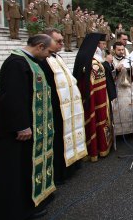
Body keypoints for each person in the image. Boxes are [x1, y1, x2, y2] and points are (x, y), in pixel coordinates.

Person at [0, 34, 56, 219]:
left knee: (23, 169)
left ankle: (27, 204)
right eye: (49, 51)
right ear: (40, 46)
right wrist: (21, 126)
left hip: (27, 127)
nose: (50, 56)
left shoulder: (29, 62)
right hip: (16, 130)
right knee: (13, 172)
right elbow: (12, 98)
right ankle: (12, 210)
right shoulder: (15, 63)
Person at [38, 28, 87, 184]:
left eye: (61, 41)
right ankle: (60, 172)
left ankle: (72, 165)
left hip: (68, 106)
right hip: (56, 107)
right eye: (58, 41)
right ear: (47, 41)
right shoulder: (42, 60)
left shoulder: (57, 57)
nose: (61, 43)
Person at [73, 33, 113, 161]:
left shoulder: (94, 59)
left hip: (101, 96)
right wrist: (106, 63)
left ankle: (103, 146)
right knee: (96, 120)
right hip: (94, 98)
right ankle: (95, 149)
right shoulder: (91, 61)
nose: (103, 47)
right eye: (101, 44)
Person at [112, 41, 133, 135]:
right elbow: (109, 76)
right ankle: (119, 133)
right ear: (114, 50)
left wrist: (131, 69)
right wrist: (117, 70)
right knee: (119, 112)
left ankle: (132, 131)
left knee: (130, 109)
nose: (121, 51)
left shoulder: (128, 59)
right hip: (118, 91)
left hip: (128, 91)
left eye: (122, 49)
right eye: (119, 50)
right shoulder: (111, 61)